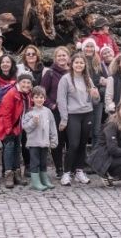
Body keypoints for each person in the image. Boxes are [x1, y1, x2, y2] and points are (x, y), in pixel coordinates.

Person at [57, 54, 100, 186]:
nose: (79, 65)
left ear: (85, 65)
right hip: (73, 115)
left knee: (82, 145)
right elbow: (61, 100)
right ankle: (66, 172)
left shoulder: (88, 79)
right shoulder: (66, 79)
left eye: (82, 63)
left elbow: (95, 100)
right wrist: (64, 119)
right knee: (73, 144)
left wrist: (96, 96)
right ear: (72, 64)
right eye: (77, 62)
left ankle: (79, 171)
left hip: (87, 114)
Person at [0, 73, 33, 189]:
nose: (26, 84)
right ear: (19, 82)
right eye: (23, 82)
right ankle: (8, 175)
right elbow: (6, 113)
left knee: (17, 149)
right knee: (9, 149)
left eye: (28, 83)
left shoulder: (27, 94)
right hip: (6, 126)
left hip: (17, 126)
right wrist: (9, 129)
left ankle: (17, 174)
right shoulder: (12, 93)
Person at [0, 53, 27, 180]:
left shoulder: (17, 80)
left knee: (16, 146)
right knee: (8, 145)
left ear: (12, 65)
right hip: (2, 118)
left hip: (16, 119)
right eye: (2, 62)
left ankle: (15, 172)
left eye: (8, 62)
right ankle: (8, 173)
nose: (5, 64)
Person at [41, 46, 70, 177]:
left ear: (68, 57)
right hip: (56, 112)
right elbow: (42, 93)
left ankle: (71, 167)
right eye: (59, 56)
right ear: (55, 58)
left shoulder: (73, 72)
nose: (62, 58)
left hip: (72, 111)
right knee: (58, 141)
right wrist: (51, 105)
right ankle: (59, 168)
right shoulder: (50, 73)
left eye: (64, 55)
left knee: (72, 141)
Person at [22, 86, 58, 191]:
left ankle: (44, 179)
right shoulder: (29, 112)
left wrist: (54, 140)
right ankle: (35, 182)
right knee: (35, 162)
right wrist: (34, 122)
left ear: (45, 98)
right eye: (37, 97)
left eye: (41, 97)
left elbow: (52, 127)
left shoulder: (48, 112)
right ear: (32, 98)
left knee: (43, 162)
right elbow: (26, 128)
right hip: (33, 143)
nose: (39, 99)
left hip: (45, 142)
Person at [83, 38, 109, 147]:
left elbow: (107, 78)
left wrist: (103, 81)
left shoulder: (99, 62)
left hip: (97, 98)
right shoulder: (79, 60)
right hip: (83, 98)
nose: (89, 49)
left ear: (95, 48)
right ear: (83, 48)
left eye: (91, 46)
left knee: (96, 128)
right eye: (87, 46)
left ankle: (95, 154)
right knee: (84, 127)